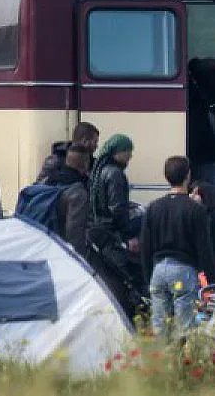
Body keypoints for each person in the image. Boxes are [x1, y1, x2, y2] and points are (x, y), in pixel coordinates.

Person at [142, 156, 215, 340]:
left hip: (158, 274)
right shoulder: (195, 209)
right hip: (182, 275)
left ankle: (160, 364)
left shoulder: (153, 207)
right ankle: (182, 366)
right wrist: (213, 281)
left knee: (160, 329)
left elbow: (145, 247)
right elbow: (204, 248)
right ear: (188, 176)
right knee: (185, 330)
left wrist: (147, 278)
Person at [88, 134, 143, 318]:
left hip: (99, 233)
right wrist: (129, 236)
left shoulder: (99, 171)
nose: (130, 156)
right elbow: (117, 209)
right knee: (125, 277)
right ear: (118, 152)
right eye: (128, 152)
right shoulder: (115, 174)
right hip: (113, 235)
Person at [40, 144, 92, 258]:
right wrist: (79, 262)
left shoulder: (47, 181)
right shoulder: (78, 192)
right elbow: (75, 235)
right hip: (62, 255)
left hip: (42, 247)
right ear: (86, 164)